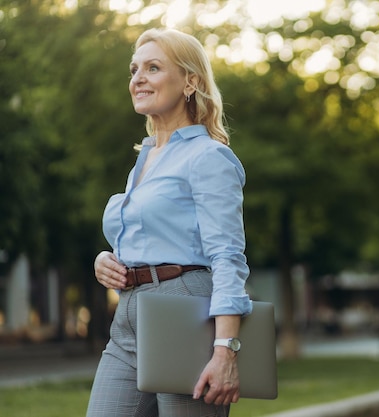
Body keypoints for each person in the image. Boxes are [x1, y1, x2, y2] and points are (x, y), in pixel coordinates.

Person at [86, 28, 252, 417]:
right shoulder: (145, 159)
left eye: (153, 67)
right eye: (134, 69)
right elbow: (153, 236)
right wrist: (105, 261)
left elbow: (228, 256)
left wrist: (226, 349)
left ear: (190, 81)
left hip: (184, 312)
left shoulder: (207, 156)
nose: (138, 78)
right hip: (127, 320)